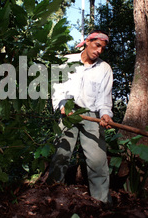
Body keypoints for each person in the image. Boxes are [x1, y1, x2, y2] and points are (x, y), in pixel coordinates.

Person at [47, 30, 113, 205]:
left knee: (97, 160)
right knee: (61, 154)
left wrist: (106, 115)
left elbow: (104, 99)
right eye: (96, 45)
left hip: (91, 115)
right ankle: (51, 197)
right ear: (87, 42)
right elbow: (57, 87)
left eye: (102, 48)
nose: (99, 51)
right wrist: (61, 105)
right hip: (68, 113)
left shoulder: (104, 69)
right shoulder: (67, 61)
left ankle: (102, 203)